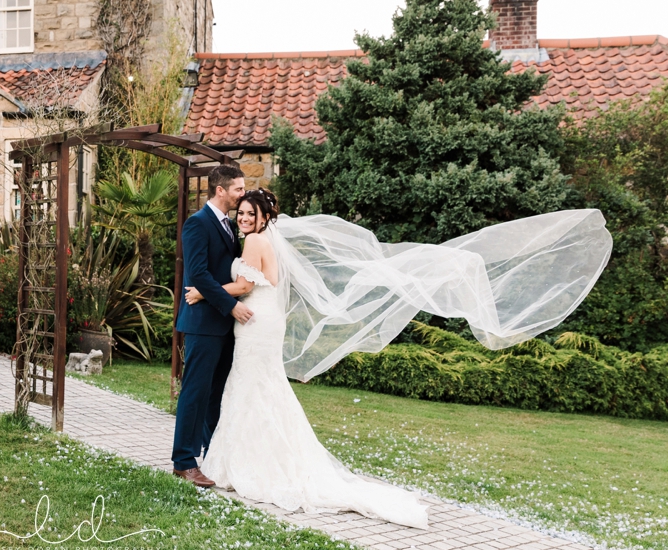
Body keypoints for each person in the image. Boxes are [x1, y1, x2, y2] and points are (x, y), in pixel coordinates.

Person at [178, 189, 612, 529]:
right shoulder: (261, 239)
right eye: (242, 213)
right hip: (260, 323)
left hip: (255, 319)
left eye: (251, 213)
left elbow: (254, 284)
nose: (244, 218)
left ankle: (245, 463)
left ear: (265, 217)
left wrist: (203, 292)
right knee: (258, 389)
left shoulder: (254, 241)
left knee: (255, 388)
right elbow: (265, 279)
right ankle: (244, 457)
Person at [169, 164, 252, 487]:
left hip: (223, 326)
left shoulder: (231, 226)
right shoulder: (197, 224)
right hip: (204, 323)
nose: (242, 195)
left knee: (216, 394)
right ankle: (184, 461)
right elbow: (199, 273)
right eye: (238, 189)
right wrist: (231, 305)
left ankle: (213, 454)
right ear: (221, 190)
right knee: (195, 392)